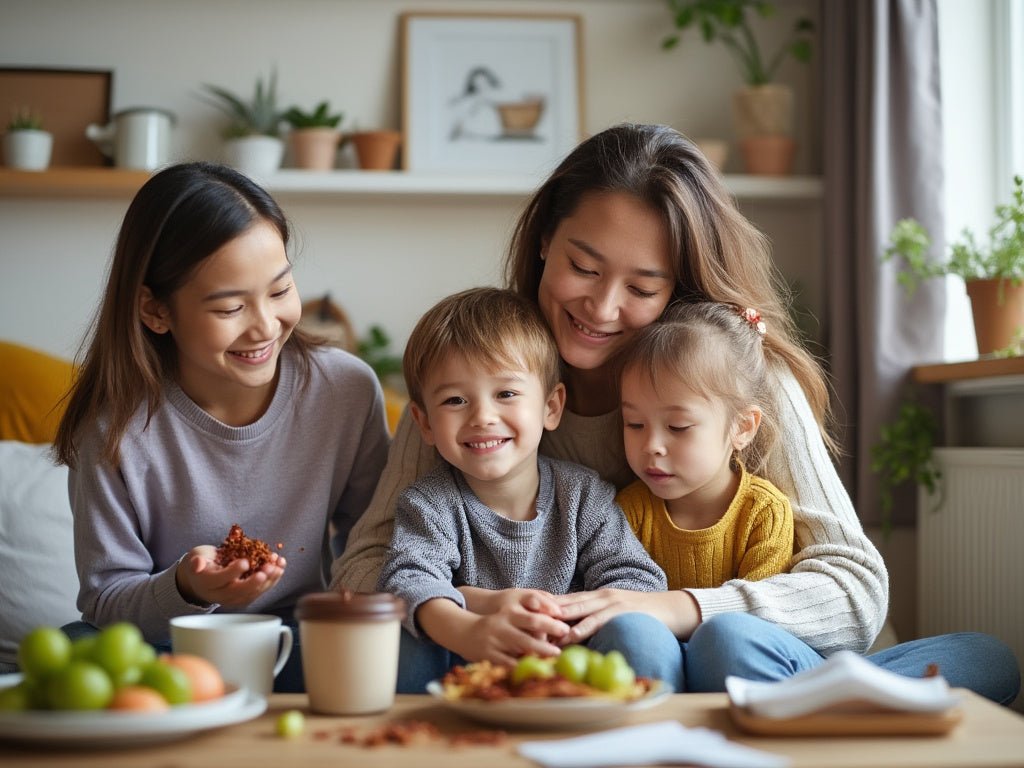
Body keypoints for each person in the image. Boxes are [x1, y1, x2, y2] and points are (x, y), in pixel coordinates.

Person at [334, 123, 1019, 704]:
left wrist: (683, 607)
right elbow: (366, 561)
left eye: (642, 286)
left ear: (679, 288)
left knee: (965, 658)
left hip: (749, 656)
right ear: (545, 238)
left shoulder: (736, 381)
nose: (602, 308)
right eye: (584, 265)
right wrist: (468, 608)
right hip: (592, 666)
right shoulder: (482, 376)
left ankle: (849, 691)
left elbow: (857, 591)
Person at [53, 161, 391, 692]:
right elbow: (107, 599)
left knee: (410, 655)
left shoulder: (346, 390)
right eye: (231, 306)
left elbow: (375, 543)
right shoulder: (114, 429)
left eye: (280, 291)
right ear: (156, 310)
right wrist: (188, 587)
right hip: (172, 646)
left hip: (295, 637)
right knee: (77, 648)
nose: (264, 325)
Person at [377, 287, 666, 693]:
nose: (483, 417)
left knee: (641, 635)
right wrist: (469, 628)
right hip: (467, 667)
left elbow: (637, 580)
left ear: (551, 407)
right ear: (424, 424)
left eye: (506, 394)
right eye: (456, 400)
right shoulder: (429, 504)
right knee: (404, 640)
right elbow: (407, 580)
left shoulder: (584, 496)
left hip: (570, 661)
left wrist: (554, 617)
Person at [615, 301, 793, 592]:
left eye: (678, 427)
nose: (652, 446)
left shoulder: (763, 513)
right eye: (635, 424)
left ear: (742, 427)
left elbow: (755, 623)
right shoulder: (630, 512)